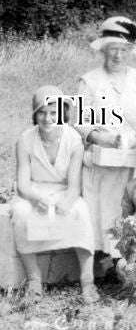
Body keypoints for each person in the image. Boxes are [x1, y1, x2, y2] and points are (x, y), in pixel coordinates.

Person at [77, 16, 136, 257]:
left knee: (133, 206)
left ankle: (130, 259)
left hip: (134, 158)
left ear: (130, 51)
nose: (118, 56)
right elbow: (79, 122)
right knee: (104, 208)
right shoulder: (89, 81)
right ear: (103, 50)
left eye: (123, 50)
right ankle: (103, 258)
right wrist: (101, 138)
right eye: (113, 49)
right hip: (103, 159)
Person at [12, 86, 98, 304]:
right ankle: (34, 280)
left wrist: (67, 201)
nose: (48, 118)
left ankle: (87, 281)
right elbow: (22, 184)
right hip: (34, 191)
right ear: (35, 115)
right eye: (42, 112)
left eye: (54, 112)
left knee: (80, 213)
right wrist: (34, 199)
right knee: (21, 214)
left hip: (63, 191)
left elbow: (74, 186)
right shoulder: (25, 140)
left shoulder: (73, 140)